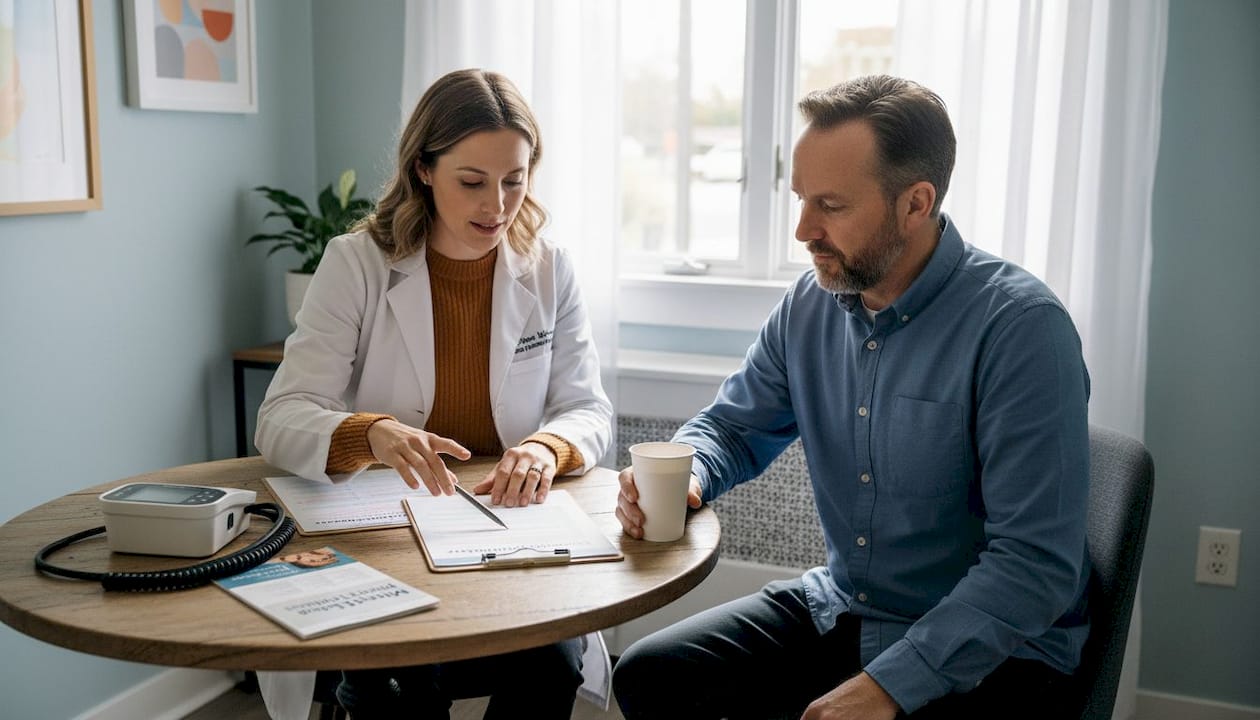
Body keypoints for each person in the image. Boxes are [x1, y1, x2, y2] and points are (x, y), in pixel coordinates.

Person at [611, 75, 1091, 720]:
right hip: (845, 604)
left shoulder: (1021, 328)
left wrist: (892, 686)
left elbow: (1034, 565)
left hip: (990, 649)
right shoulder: (810, 303)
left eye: (830, 206)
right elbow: (732, 428)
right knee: (653, 674)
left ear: (915, 204)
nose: (803, 230)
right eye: (801, 199)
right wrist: (688, 472)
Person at [255, 68, 612, 720]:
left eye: (515, 180)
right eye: (472, 182)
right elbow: (279, 419)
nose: (497, 206)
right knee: (397, 681)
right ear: (423, 168)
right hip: (385, 541)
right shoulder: (356, 263)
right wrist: (370, 433)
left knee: (553, 665)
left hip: (503, 536)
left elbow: (586, 406)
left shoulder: (549, 267)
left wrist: (548, 446)